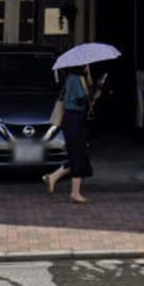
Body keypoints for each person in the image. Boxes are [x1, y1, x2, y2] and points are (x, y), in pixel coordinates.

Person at [43, 66, 105, 204]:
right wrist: (98, 87)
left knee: (76, 154)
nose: (88, 66)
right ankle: (75, 193)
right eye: (86, 64)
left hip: (74, 119)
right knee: (79, 155)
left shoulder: (76, 77)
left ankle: (53, 177)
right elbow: (83, 100)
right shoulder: (76, 79)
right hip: (74, 120)